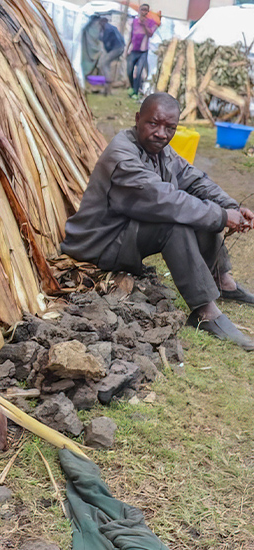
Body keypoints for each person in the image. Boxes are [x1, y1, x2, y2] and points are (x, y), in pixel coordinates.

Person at [62, 93, 254, 350]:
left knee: (197, 210)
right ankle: (205, 312)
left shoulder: (160, 150)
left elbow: (193, 179)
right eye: (153, 124)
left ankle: (223, 281)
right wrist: (221, 215)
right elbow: (165, 200)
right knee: (175, 222)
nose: (161, 133)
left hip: (124, 233)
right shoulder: (122, 156)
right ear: (138, 119)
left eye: (170, 128)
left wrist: (231, 207)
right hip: (99, 243)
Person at [128, 5, 159, 98]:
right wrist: (127, 49)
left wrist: (144, 25)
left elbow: (150, 34)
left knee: (139, 72)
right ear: (139, 11)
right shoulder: (134, 22)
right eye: (142, 10)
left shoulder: (150, 23)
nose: (144, 12)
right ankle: (132, 87)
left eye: (146, 10)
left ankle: (136, 92)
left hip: (143, 51)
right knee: (129, 71)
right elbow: (131, 35)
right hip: (134, 50)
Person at [91, 16, 125, 90]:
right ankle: (107, 83)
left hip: (117, 48)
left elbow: (105, 41)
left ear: (103, 22)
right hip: (118, 48)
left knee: (104, 63)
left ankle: (108, 81)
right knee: (103, 63)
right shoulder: (109, 27)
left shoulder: (108, 29)